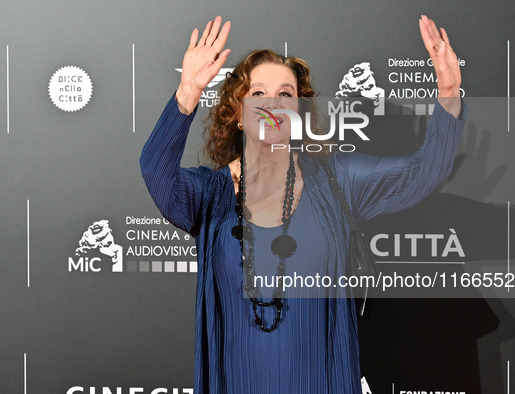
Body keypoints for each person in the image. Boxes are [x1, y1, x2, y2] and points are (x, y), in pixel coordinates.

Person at [140, 15, 465, 394]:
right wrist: (187, 93)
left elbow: (422, 172)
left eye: (285, 93)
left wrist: (449, 91)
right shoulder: (209, 194)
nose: (272, 104)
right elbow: (156, 172)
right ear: (238, 115)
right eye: (257, 94)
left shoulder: (337, 181)